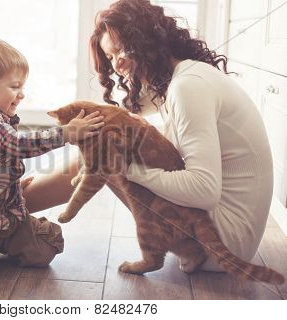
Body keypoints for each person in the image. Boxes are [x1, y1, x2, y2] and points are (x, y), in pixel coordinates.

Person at [24, 0, 273, 273]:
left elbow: (204, 191)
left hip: (221, 242)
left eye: (119, 50)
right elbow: (123, 113)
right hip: (223, 233)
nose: (116, 64)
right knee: (102, 142)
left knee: (103, 155)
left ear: (145, 40)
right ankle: (15, 201)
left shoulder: (189, 87)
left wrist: (127, 170)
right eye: (109, 57)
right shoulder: (181, 77)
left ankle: (7, 208)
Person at [0, 38, 105, 285]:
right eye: (15, 87)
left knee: (48, 247)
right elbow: (14, 144)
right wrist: (66, 133)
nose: (22, 94)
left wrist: (12, 188)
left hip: (7, 218)